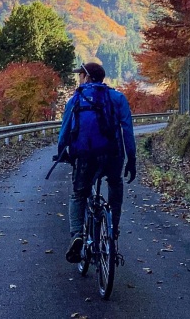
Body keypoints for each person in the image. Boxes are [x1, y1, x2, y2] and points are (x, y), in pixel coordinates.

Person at [56, 61, 136, 264]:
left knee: (78, 194)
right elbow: (127, 131)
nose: (79, 79)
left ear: (87, 77)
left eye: (80, 75)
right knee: (115, 185)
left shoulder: (76, 99)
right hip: (112, 154)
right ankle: (112, 231)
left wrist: (61, 152)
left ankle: (77, 236)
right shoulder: (117, 98)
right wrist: (131, 159)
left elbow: (65, 130)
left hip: (84, 156)